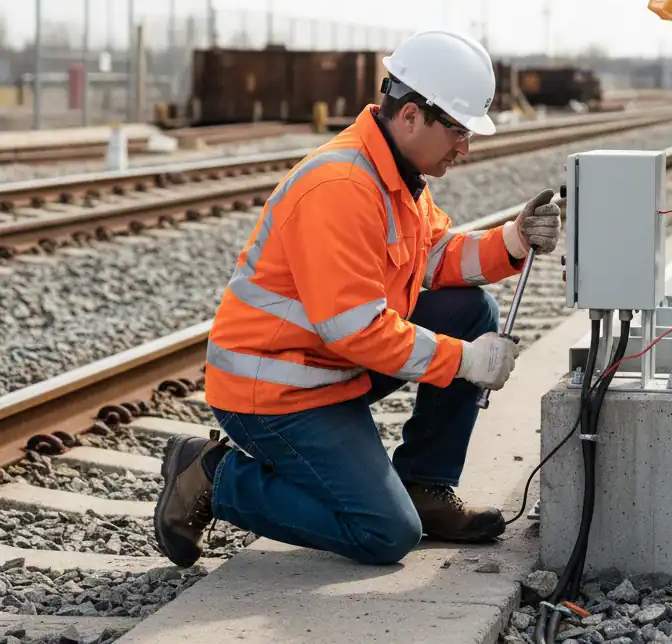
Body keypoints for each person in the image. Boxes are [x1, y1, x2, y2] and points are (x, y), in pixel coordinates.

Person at [152, 29, 562, 568]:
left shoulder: (399, 174)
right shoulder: (341, 187)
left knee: (469, 310)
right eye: (459, 130)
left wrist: (509, 241)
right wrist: (464, 362)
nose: (466, 146)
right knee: (385, 533)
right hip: (276, 390)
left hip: (330, 368)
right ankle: (210, 476)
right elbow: (355, 330)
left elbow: (431, 259)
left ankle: (425, 487)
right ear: (412, 116)